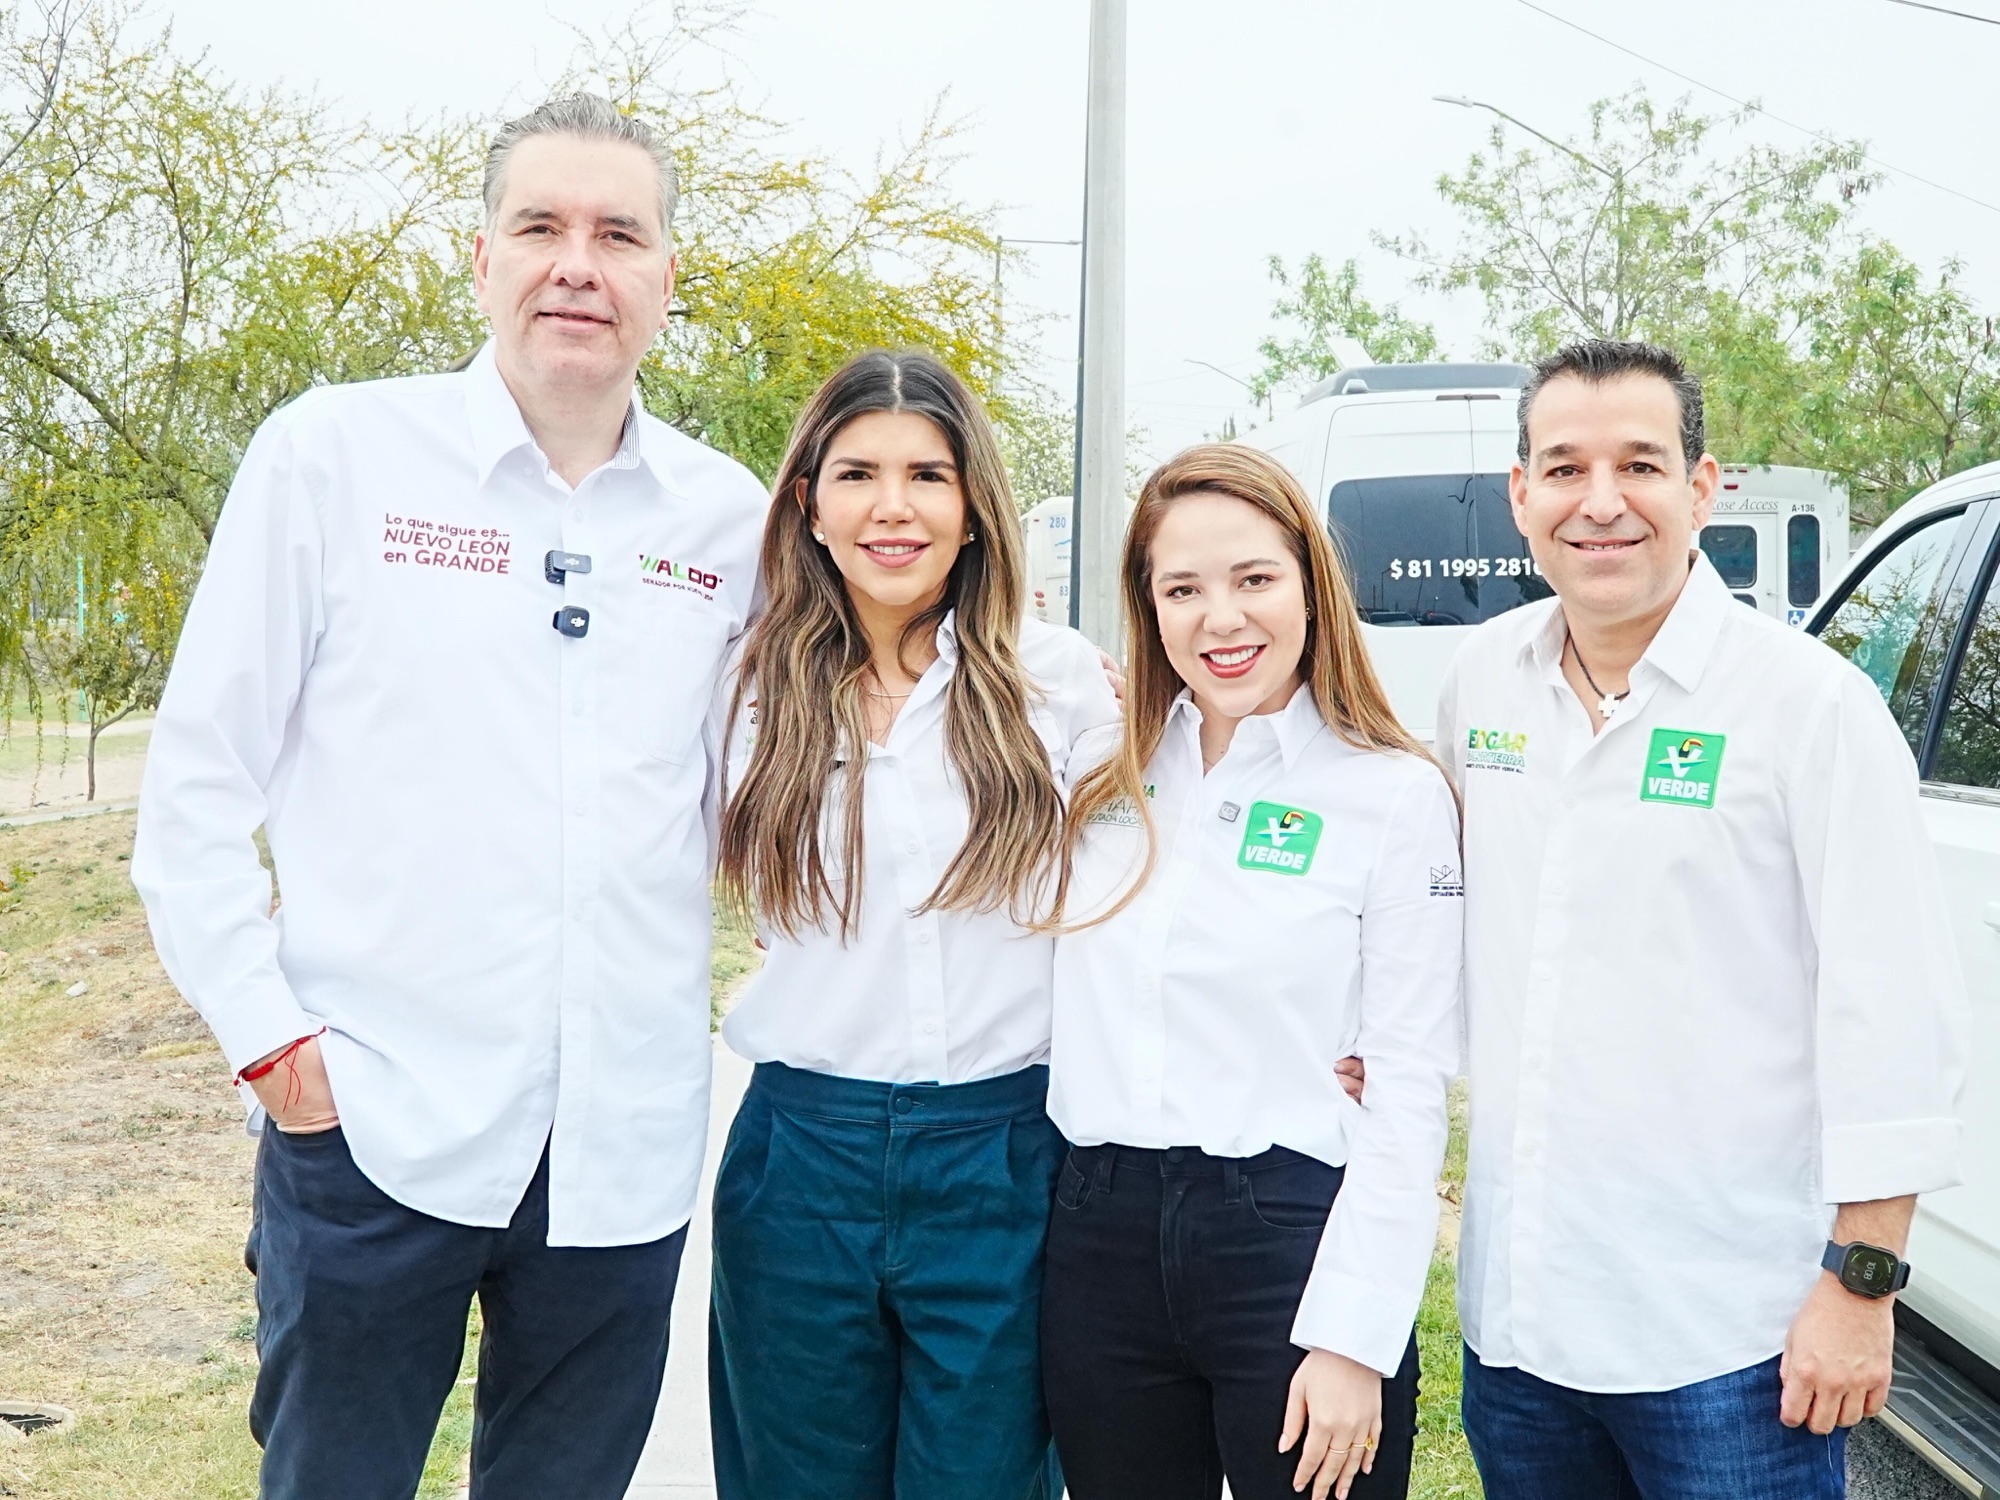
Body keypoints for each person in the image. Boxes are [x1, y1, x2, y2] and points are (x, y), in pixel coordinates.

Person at [129, 95, 768, 1500]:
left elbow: (802, 787)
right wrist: (277, 1052)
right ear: (479, 259)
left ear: (668, 278)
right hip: (372, 1124)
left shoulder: (732, 522)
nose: (577, 264)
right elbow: (193, 790)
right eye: (539, 226)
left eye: (619, 233)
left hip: (623, 1150)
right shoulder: (334, 458)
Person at [1437, 338, 1967, 1499]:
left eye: (1639, 464)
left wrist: (1860, 1283)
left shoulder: (1806, 707)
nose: (1600, 502)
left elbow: (1892, 1016)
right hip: (1517, 1332)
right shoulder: (1479, 686)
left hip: (1726, 1345)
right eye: (1563, 468)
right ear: (1520, 494)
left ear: (1701, 488)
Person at [706, 349, 1117, 1500]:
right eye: (858, 474)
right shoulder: (739, 689)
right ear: (808, 506)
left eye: (928, 476)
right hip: (801, 1160)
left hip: (1004, 1154)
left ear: (974, 507)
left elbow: (1158, 901)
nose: (894, 506)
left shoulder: (1060, 688)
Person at [1040, 444, 1462, 1500]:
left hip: (1287, 1239)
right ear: (1146, 606)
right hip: (1097, 1239)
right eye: (1181, 588)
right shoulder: (1101, 777)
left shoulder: (1390, 795)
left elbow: (1408, 1085)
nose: (1219, 619)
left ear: (1310, 585)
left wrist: (1354, 1339)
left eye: (1253, 580)